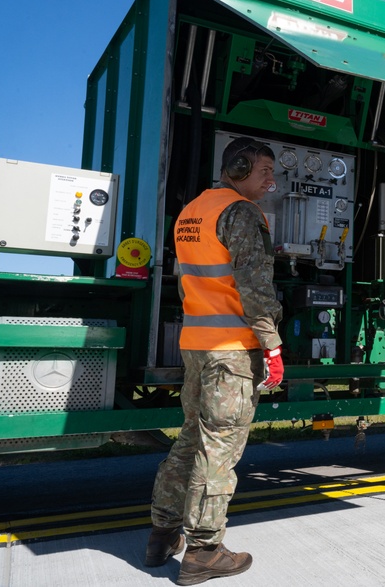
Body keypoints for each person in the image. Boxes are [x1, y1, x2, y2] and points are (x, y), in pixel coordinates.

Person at [145, 137, 284, 585]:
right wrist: (273, 346)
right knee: (219, 446)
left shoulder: (192, 212)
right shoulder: (240, 213)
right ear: (239, 166)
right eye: (264, 170)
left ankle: (162, 533)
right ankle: (204, 550)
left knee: (190, 438)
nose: (271, 180)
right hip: (230, 350)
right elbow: (256, 288)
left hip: (197, 345)